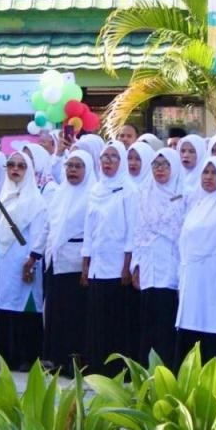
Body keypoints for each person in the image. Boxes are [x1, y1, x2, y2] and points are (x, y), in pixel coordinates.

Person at [176, 158, 216, 361]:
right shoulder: (197, 203)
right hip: (194, 276)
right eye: (205, 172)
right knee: (194, 324)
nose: (209, 177)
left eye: (214, 173)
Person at [37, 150, 94, 375]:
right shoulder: (61, 193)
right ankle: (57, 359)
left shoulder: (92, 194)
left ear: (87, 169)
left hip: (76, 264)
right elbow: (48, 225)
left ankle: (75, 362)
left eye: (78, 166)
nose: (72, 170)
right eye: (69, 165)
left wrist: (86, 265)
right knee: (56, 313)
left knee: (75, 314)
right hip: (56, 261)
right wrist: (35, 254)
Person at [82, 141, 135, 376]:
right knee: (96, 320)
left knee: (116, 319)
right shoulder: (95, 189)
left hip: (117, 267)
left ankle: (116, 370)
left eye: (114, 157)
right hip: (97, 266)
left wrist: (127, 266)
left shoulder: (128, 189)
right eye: (105, 157)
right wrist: (86, 265)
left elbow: (132, 230)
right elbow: (89, 230)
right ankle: (97, 367)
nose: (108, 162)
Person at [0, 149, 46, 371]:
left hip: (26, 261)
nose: (15, 169)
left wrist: (31, 260)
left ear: (29, 170)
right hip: (4, 261)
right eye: (11, 165)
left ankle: (26, 356)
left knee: (24, 305)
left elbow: (40, 233)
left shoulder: (36, 200)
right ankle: (3, 356)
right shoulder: (3, 194)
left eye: (21, 166)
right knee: (5, 303)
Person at [132, 147, 186, 366]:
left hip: (171, 265)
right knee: (148, 318)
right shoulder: (145, 193)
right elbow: (138, 231)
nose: (160, 170)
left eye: (165, 165)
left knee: (167, 318)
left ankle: (168, 369)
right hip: (148, 265)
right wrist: (135, 265)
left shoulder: (183, 193)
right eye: (155, 165)